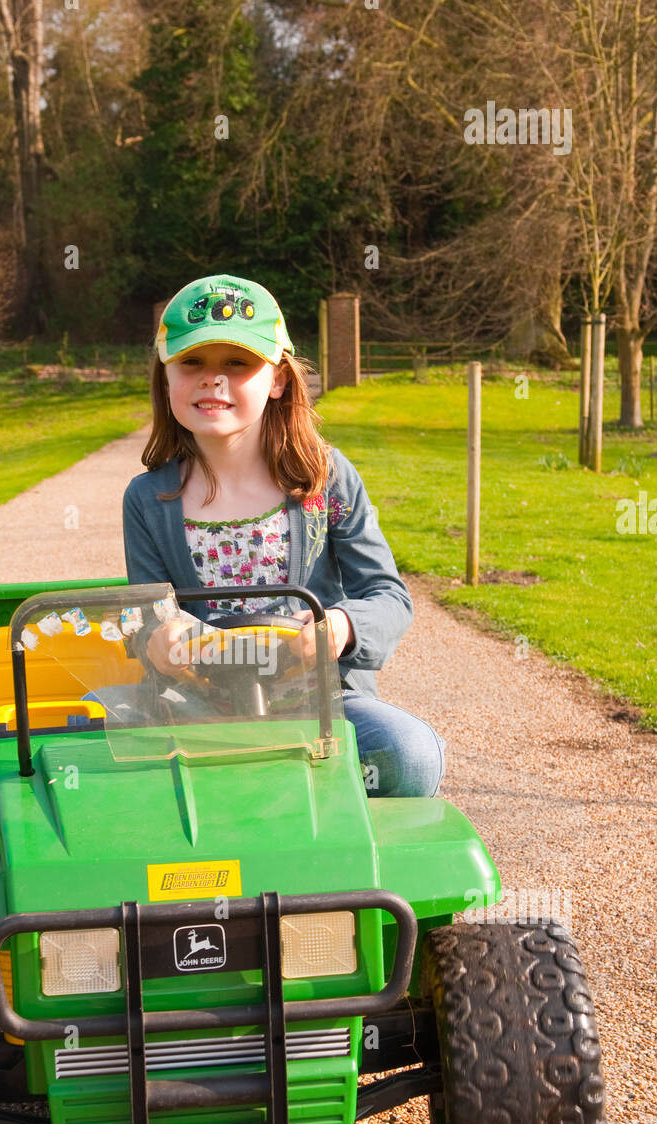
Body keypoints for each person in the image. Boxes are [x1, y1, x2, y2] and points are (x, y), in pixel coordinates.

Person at [94, 272, 446, 797]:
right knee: (75, 736)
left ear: (277, 379)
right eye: (192, 362)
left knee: (407, 756)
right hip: (193, 703)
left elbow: (390, 597)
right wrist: (157, 640)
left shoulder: (325, 478)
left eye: (236, 363)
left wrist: (341, 627)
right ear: (166, 377)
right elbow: (149, 611)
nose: (213, 380)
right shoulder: (148, 499)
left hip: (320, 702)